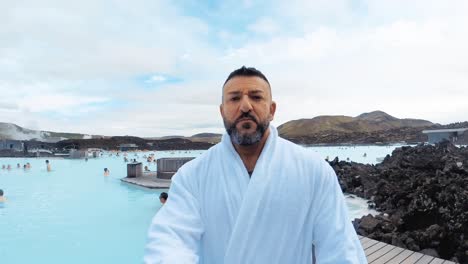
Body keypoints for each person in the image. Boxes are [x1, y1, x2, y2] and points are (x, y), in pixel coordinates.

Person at [144, 66, 366, 263]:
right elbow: (171, 242)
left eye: (256, 97)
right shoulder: (192, 176)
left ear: (272, 109)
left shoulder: (314, 171)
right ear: (222, 111)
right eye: (234, 98)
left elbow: (339, 247)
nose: (245, 106)